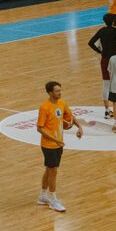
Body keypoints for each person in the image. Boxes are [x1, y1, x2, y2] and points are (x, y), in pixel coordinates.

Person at [36, 80, 82, 212]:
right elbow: (40, 128)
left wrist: (79, 127)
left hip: (58, 143)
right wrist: (54, 139)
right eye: (57, 91)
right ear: (50, 93)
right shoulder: (44, 107)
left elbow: (70, 116)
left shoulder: (62, 103)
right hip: (49, 145)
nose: (60, 93)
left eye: (60, 90)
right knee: (53, 171)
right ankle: (53, 199)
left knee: (49, 169)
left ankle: (43, 196)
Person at [87, 14, 116, 119]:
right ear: (113, 22)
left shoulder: (101, 30)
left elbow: (90, 43)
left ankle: (107, 110)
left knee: (106, 83)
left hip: (104, 59)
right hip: (115, 60)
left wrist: (100, 51)